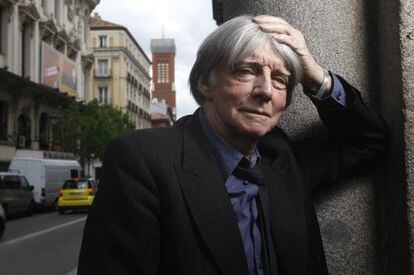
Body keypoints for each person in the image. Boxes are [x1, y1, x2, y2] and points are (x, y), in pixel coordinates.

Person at [78, 15, 387, 275]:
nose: (265, 90)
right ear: (205, 83)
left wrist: (315, 76)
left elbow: (368, 138)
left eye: (280, 79)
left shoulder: (281, 158)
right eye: (246, 71)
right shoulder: (143, 160)